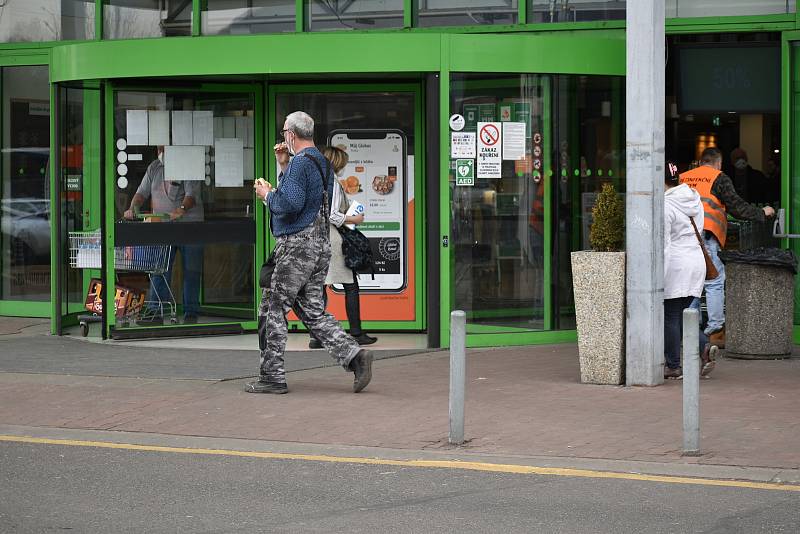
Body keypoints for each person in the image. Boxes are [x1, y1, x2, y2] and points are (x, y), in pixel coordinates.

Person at [246, 111, 373, 395]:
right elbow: (308, 199)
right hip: (320, 245)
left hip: (296, 247)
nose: (283, 139)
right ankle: (355, 357)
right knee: (311, 309)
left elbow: (289, 203)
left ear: (291, 134)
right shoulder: (321, 162)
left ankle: (272, 377)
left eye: (284, 134)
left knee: (272, 308)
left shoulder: (300, 163)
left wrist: (266, 194)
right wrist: (283, 164)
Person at [679, 147, 775, 348]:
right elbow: (737, 207)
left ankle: (689, 331)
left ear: (701, 161)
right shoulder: (719, 178)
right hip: (705, 238)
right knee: (714, 281)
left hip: (681, 239)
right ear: (719, 163)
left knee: (690, 284)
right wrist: (762, 213)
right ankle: (715, 331)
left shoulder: (684, 178)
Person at [123, 146, 204, 325]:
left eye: (164, 147)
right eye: (159, 147)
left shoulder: (187, 166)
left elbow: (191, 196)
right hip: (163, 227)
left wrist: (181, 210)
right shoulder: (154, 168)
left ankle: (191, 313)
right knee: (159, 269)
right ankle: (154, 313)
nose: (161, 151)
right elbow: (141, 193)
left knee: (191, 271)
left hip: (190, 228)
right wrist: (132, 208)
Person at [306, 146, 377, 349]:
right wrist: (354, 218)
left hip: (316, 238)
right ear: (337, 163)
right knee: (351, 285)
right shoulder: (333, 184)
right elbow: (333, 215)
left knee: (320, 287)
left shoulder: (314, 183)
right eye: (343, 163)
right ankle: (356, 333)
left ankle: (316, 336)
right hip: (333, 239)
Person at [664, 161, 717, 380]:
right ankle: (704, 347)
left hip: (676, 264)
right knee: (685, 316)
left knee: (671, 316)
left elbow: (665, 244)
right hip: (696, 263)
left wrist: (659, 277)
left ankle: (674, 366)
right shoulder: (693, 198)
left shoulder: (665, 205)